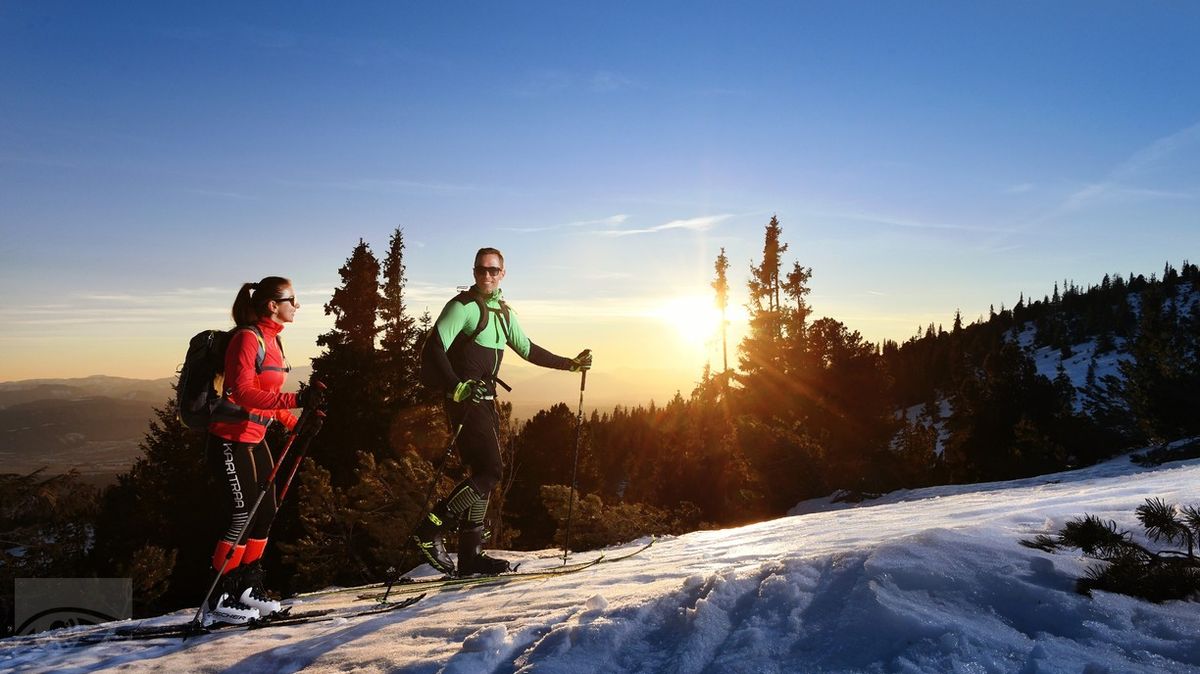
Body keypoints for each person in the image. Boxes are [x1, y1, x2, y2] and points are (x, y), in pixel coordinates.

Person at [415, 247, 591, 576]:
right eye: (481, 270)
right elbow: (434, 346)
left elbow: (528, 349)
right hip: (465, 399)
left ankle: (471, 556)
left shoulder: (504, 314)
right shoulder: (463, 307)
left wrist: (571, 364)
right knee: (491, 472)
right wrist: (456, 386)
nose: (486, 275)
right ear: (474, 271)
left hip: (485, 399)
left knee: (484, 472)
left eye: (493, 270)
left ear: (502, 274)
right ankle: (429, 531)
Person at [203, 276, 322, 625]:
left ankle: (246, 588)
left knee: (265, 512)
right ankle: (219, 595)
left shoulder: (274, 342)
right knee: (242, 514)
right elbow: (241, 392)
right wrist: (297, 400)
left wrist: (294, 422)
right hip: (230, 440)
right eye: (292, 299)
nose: (296, 305)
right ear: (273, 304)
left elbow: (266, 400)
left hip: (255, 439)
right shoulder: (246, 338)